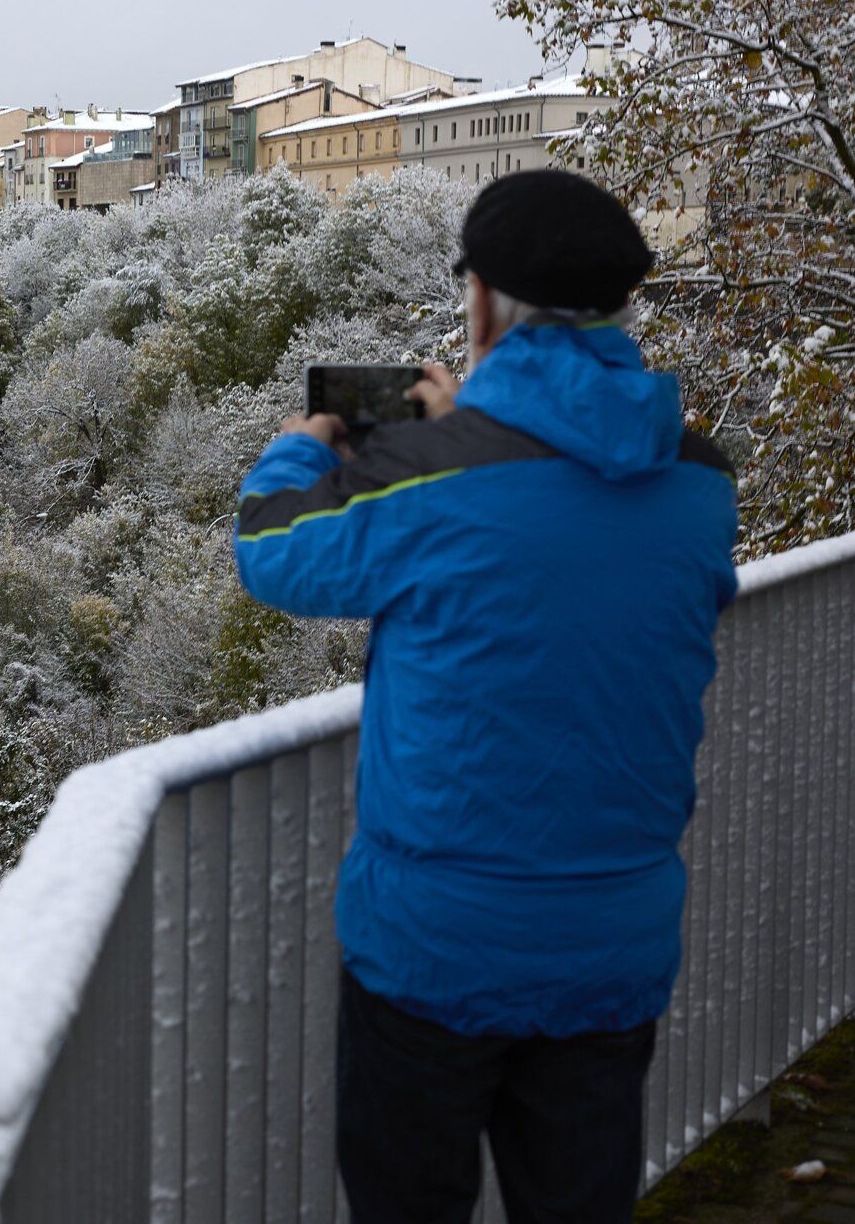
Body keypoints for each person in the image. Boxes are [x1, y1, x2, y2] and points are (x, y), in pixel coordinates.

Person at [233, 170, 739, 1224]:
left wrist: (304, 439)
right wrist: (472, 430)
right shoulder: (700, 481)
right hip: (612, 945)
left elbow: (274, 549)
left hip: (435, 951)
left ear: (484, 302)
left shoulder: (431, 473)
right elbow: (563, 530)